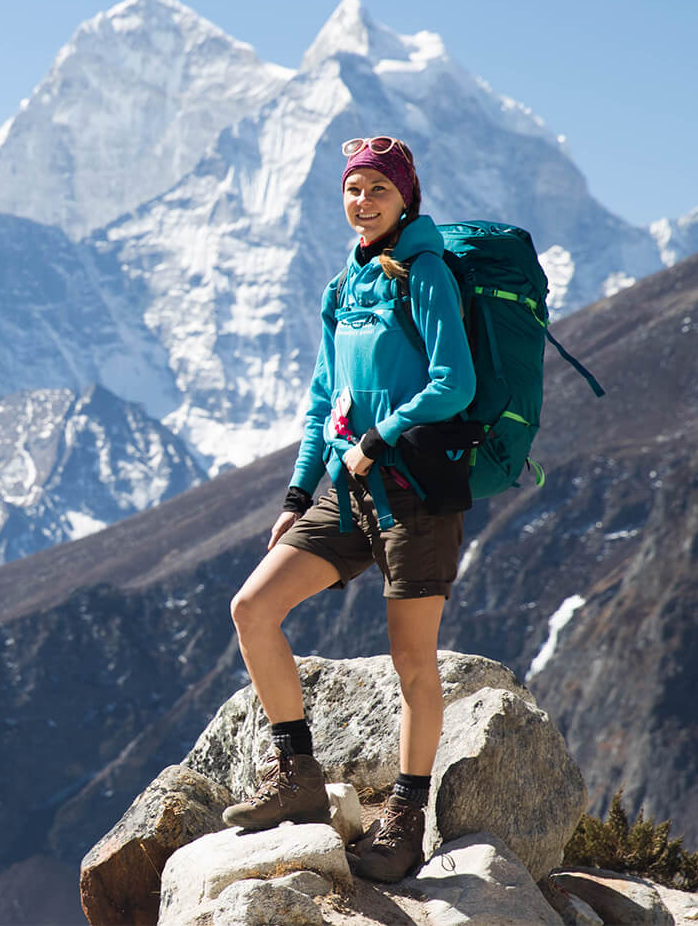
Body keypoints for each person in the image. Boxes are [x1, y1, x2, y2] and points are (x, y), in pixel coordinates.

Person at [223, 135, 476, 884]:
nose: (362, 204)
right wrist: (299, 494)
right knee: (252, 608)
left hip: (416, 493)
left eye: (378, 191)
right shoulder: (343, 286)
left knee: (412, 663)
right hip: (347, 488)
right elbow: (317, 404)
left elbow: (452, 383)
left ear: (407, 199)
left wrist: (379, 436)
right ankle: (296, 771)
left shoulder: (424, 273)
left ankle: (405, 817)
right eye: (353, 190)